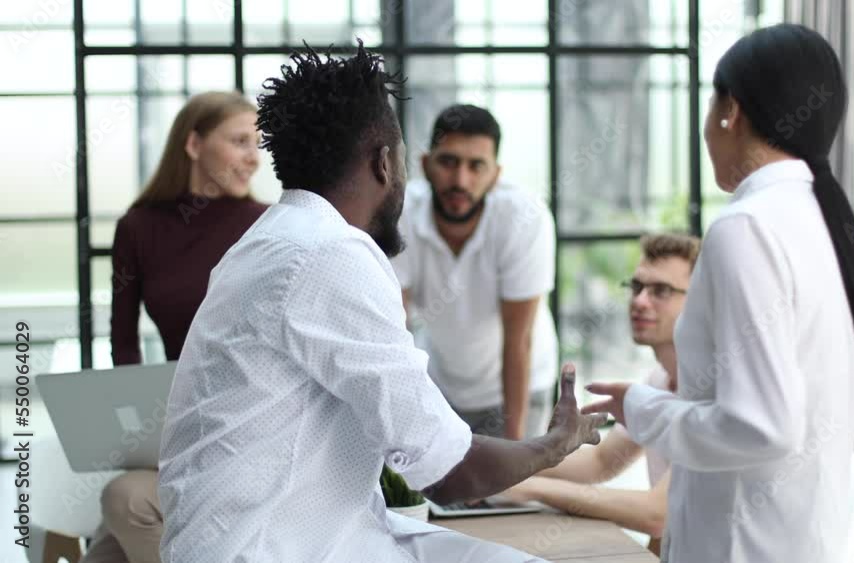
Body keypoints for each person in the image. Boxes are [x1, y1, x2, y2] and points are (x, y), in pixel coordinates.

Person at [156, 42, 606, 563]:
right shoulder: (330, 252)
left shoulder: (268, 240)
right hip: (267, 548)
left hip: (289, 531)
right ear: (385, 162)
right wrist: (554, 444)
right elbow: (447, 471)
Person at [584, 24, 854, 563]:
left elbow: (761, 428)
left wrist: (644, 407)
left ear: (730, 110)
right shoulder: (828, 222)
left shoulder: (746, 228)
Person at [84, 91, 267, 563]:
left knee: (120, 511)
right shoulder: (139, 227)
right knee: (108, 545)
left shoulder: (266, 225)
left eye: (258, 143)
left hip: (250, 431)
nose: (254, 157)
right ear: (193, 144)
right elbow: (124, 344)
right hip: (173, 431)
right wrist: (135, 431)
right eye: (240, 141)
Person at [503, 234, 699, 554]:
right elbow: (601, 461)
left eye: (661, 290)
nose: (640, 301)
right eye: (637, 287)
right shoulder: (659, 380)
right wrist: (503, 463)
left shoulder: (711, 391)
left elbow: (657, 515)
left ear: (701, 301)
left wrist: (531, 488)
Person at [392, 104, 558, 440]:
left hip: (524, 383)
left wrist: (514, 450)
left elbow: (519, 340)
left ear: (496, 175)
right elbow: (396, 326)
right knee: (441, 476)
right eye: (448, 162)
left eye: (476, 166)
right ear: (425, 164)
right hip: (442, 383)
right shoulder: (402, 214)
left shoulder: (524, 217)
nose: (460, 180)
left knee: (514, 473)